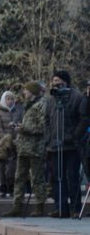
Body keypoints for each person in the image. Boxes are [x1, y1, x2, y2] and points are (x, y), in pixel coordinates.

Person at [45, 70, 89, 217]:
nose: (55, 84)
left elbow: (83, 119)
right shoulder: (52, 99)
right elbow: (46, 119)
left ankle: (75, 208)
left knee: (72, 177)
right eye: (53, 81)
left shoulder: (77, 96)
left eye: (58, 81)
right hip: (55, 145)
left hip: (72, 145)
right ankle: (60, 207)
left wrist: (74, 136)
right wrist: (48, 137)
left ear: (66, 82)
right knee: (57, 177)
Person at [7, 82, 50, 217]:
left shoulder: (41, 105)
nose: (24, 92)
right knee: (19, 177)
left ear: (33, 91)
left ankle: (39, 206)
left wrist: (24, 129)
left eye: (27, 90)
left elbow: (43, 127)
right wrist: (19, 127)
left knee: (37, 178)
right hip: (23, 146)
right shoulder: (28, 105)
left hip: (35, 147)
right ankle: (17, 205)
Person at [0, 90, 23, 197]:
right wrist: (5, 140)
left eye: (11, 99)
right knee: (2, 165)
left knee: (13, 165)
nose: (10, 101)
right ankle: (3, 186)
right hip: (3, 143)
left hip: (15, 142)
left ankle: (11, 185)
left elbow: (20, 124)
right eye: (8, 99)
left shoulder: (17, 112)